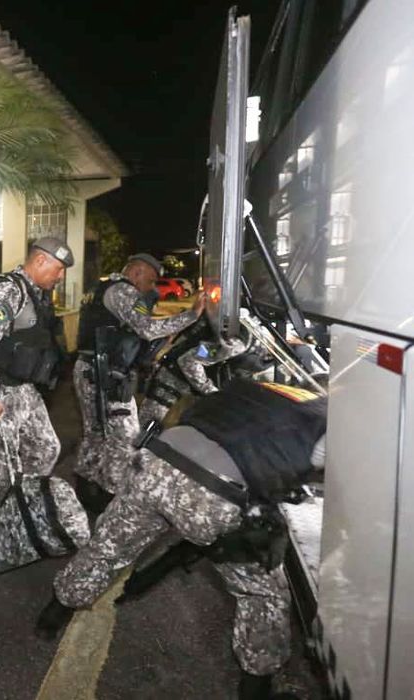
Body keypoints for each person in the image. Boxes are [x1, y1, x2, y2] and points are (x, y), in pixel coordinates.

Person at [37, 380, 326, 700]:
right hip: (212, 494)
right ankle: (256, 688)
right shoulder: (327, 424)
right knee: (262, 593)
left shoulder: (264, 388)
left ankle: (53, 615)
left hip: (156, 462)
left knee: (107, 547)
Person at [72, 253, 203, 504]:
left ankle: (85, 486)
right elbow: (147, 329)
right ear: (136, 272)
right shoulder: (123, 291)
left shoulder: (102, 287)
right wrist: (191, 315)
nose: (151, 287)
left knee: (96, 432)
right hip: (104, 375)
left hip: (89, 368)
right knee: (126, 436)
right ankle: (111, 494)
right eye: (150, 281)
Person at [0, 237, 73, 503]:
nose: (60, 276)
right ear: (40, 260)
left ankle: (22, 505)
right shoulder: (8, 292)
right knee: (1, 471)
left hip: (24, 387)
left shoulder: (37, 293)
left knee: (46, 448)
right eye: (59, 269)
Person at [138, 321, 248, 427]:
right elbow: (189, 361)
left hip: (192, 391)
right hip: (175, 382)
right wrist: (212, 392)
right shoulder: (236, 343)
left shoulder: (246, 339)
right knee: (145, 426)